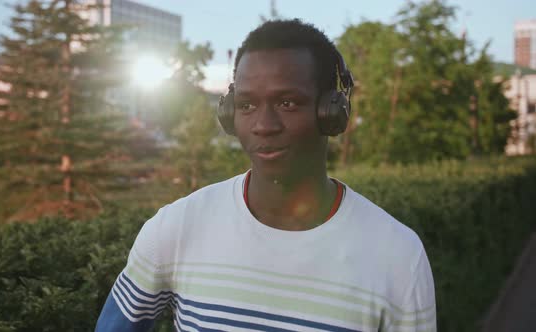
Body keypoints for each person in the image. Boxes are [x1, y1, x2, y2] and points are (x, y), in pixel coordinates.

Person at [96, 19, 436, 332]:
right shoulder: (176, 227)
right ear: (229, 113)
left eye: (287, 103)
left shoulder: (398, 256)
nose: (263, 125)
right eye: (246, 105)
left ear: (331, 111)